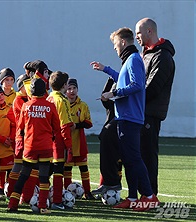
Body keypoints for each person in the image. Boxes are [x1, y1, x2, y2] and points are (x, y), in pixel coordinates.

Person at [90, 27, 159, 211]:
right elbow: (123, 78)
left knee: (134, 158)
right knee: (129, 159)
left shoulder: (134, 59)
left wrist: (114, 93)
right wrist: (106, 70)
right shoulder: (130, 59)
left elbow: (137, 85)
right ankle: (132, 198)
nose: (114, 48)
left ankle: (150, 196)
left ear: (122, 42)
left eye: (115, 44)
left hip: (130, 118)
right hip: (125, 117)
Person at [7, 78, 60, 214]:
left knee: (23, 175)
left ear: (31, 91)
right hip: (46, 147)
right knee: (43, 178)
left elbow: (20, 127)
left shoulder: (26, 106)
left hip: (30, 146)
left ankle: (12, 205)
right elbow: (57, 127)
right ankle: (42, 206)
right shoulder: (50, 106)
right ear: (44, 91)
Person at [135, 18, 176, 195]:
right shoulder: (147, 53)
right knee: (138, 154)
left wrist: (129, 97)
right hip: (140, 112)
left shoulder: (162, 56)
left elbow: (151, 89)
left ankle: (150, 195)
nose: (136, 36)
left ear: (149, 31)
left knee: (147, 155)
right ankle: (141, 194)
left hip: (150, 114)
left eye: (138, 32)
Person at [6, 73, 38, 203]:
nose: (30, 87)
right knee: (19, 165)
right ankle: (11, 191)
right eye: (27, 84)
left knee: (28, 166)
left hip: (28, 137)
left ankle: (27, 192)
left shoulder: (26, 99)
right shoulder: (19, 100)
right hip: (21, 138)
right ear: (21, 86)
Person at [47, 71, 73, 210]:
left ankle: (35, 196)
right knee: (58, 171)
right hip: (57, 142)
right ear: (64, 85)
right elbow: (64, 126)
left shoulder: (48, 98)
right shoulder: (62, 100)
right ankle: (57, 201)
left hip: (46, 140)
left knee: (45, 170)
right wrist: (69, 146)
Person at [65, 78, 94, 199]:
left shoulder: (82, 105)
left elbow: (88, 123)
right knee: (67, 168)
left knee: (84, 167)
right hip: (67, 142)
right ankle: (66, 192)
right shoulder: (62, 104)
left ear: (77, 90)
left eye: (74, 88)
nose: (72, 91)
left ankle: (87, 192)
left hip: (79, 142)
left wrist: (76, 125)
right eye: (69, 88)